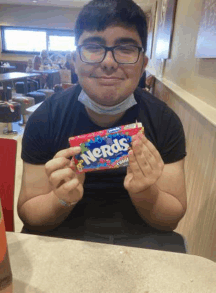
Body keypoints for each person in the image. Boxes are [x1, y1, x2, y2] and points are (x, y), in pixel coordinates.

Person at [18, 0, 187, 252]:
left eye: (126, 48)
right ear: (75, 61)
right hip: (61, 239)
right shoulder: (45, 118)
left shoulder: (165, 121)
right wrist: (60, 200)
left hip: (143, 242)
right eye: (94, 47)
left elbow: (171, 219)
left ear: (143, 63)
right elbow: (29, 214)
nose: (108, 62)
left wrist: (145, 193)